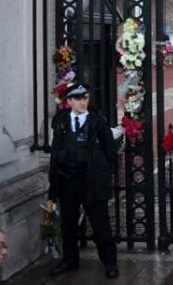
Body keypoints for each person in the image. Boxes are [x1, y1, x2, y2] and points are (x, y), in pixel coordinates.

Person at [48, 82, 119, 279]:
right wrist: (54, 183)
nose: (83, 102)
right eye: (78, 98)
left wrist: (104, 175)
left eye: (85, 97)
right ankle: (69, 261)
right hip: (68, 181)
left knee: (100, 225)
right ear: (69, 101)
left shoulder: (98, 121)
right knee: (68, 224)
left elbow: (110, 151)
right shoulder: (61, 121)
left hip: (91, 181)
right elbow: (55, 151)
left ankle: (110, 263)